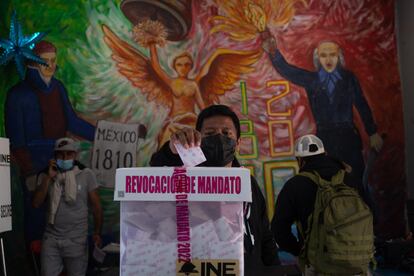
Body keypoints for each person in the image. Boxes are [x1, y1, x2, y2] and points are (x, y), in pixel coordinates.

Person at [150, 104, 280, 274]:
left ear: (238, 143)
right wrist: (172, 150)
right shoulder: (186, 178)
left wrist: (275, 270)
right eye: (210, 134)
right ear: (199, 141)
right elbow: (156, 170)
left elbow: (264, 235)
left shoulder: (248, 182)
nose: (219, 138)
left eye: (227, 133)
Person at [4, 40, 96, 251]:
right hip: (35, 166)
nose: (51, 66)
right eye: (45, 61)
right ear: (32, 63)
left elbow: (72, 122)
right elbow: (16, 140)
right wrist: (28, 172)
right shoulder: (18, 94)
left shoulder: (58, 88)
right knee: (37, 220)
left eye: (54, 61)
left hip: (60, 161)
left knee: (62, 219)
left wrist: (102, 134)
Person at [261, 32, 383, 180]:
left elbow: (362, 104)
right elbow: (289, 71)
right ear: (318, 58)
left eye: (332, 54)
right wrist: (274, 52)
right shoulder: (312, 80)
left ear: (339, 57)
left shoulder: (348, 79)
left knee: (355, 182)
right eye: (324, 55)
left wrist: (372, 133)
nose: (328, 59)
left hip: (349, 138)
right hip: (325, 139)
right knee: (327, 183)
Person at [271, 134, 373, 275]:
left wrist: (301, 250)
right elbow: (374, 215)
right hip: (358, 265)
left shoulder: (294, 185)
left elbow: (279, 230)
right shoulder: (350, 179)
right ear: (325, 154)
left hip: (319, 267)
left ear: (300, 160)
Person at [32, 137, 102, 276]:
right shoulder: (45, 175)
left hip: (76, 240)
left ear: (75, 155)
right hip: (51, 240)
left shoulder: (86, 174)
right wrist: (48, 178)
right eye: (60, 154)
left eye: (69, 154)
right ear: (55, 155)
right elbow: (36, 203)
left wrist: (97, 232)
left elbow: (96, 207)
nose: (64, 158)